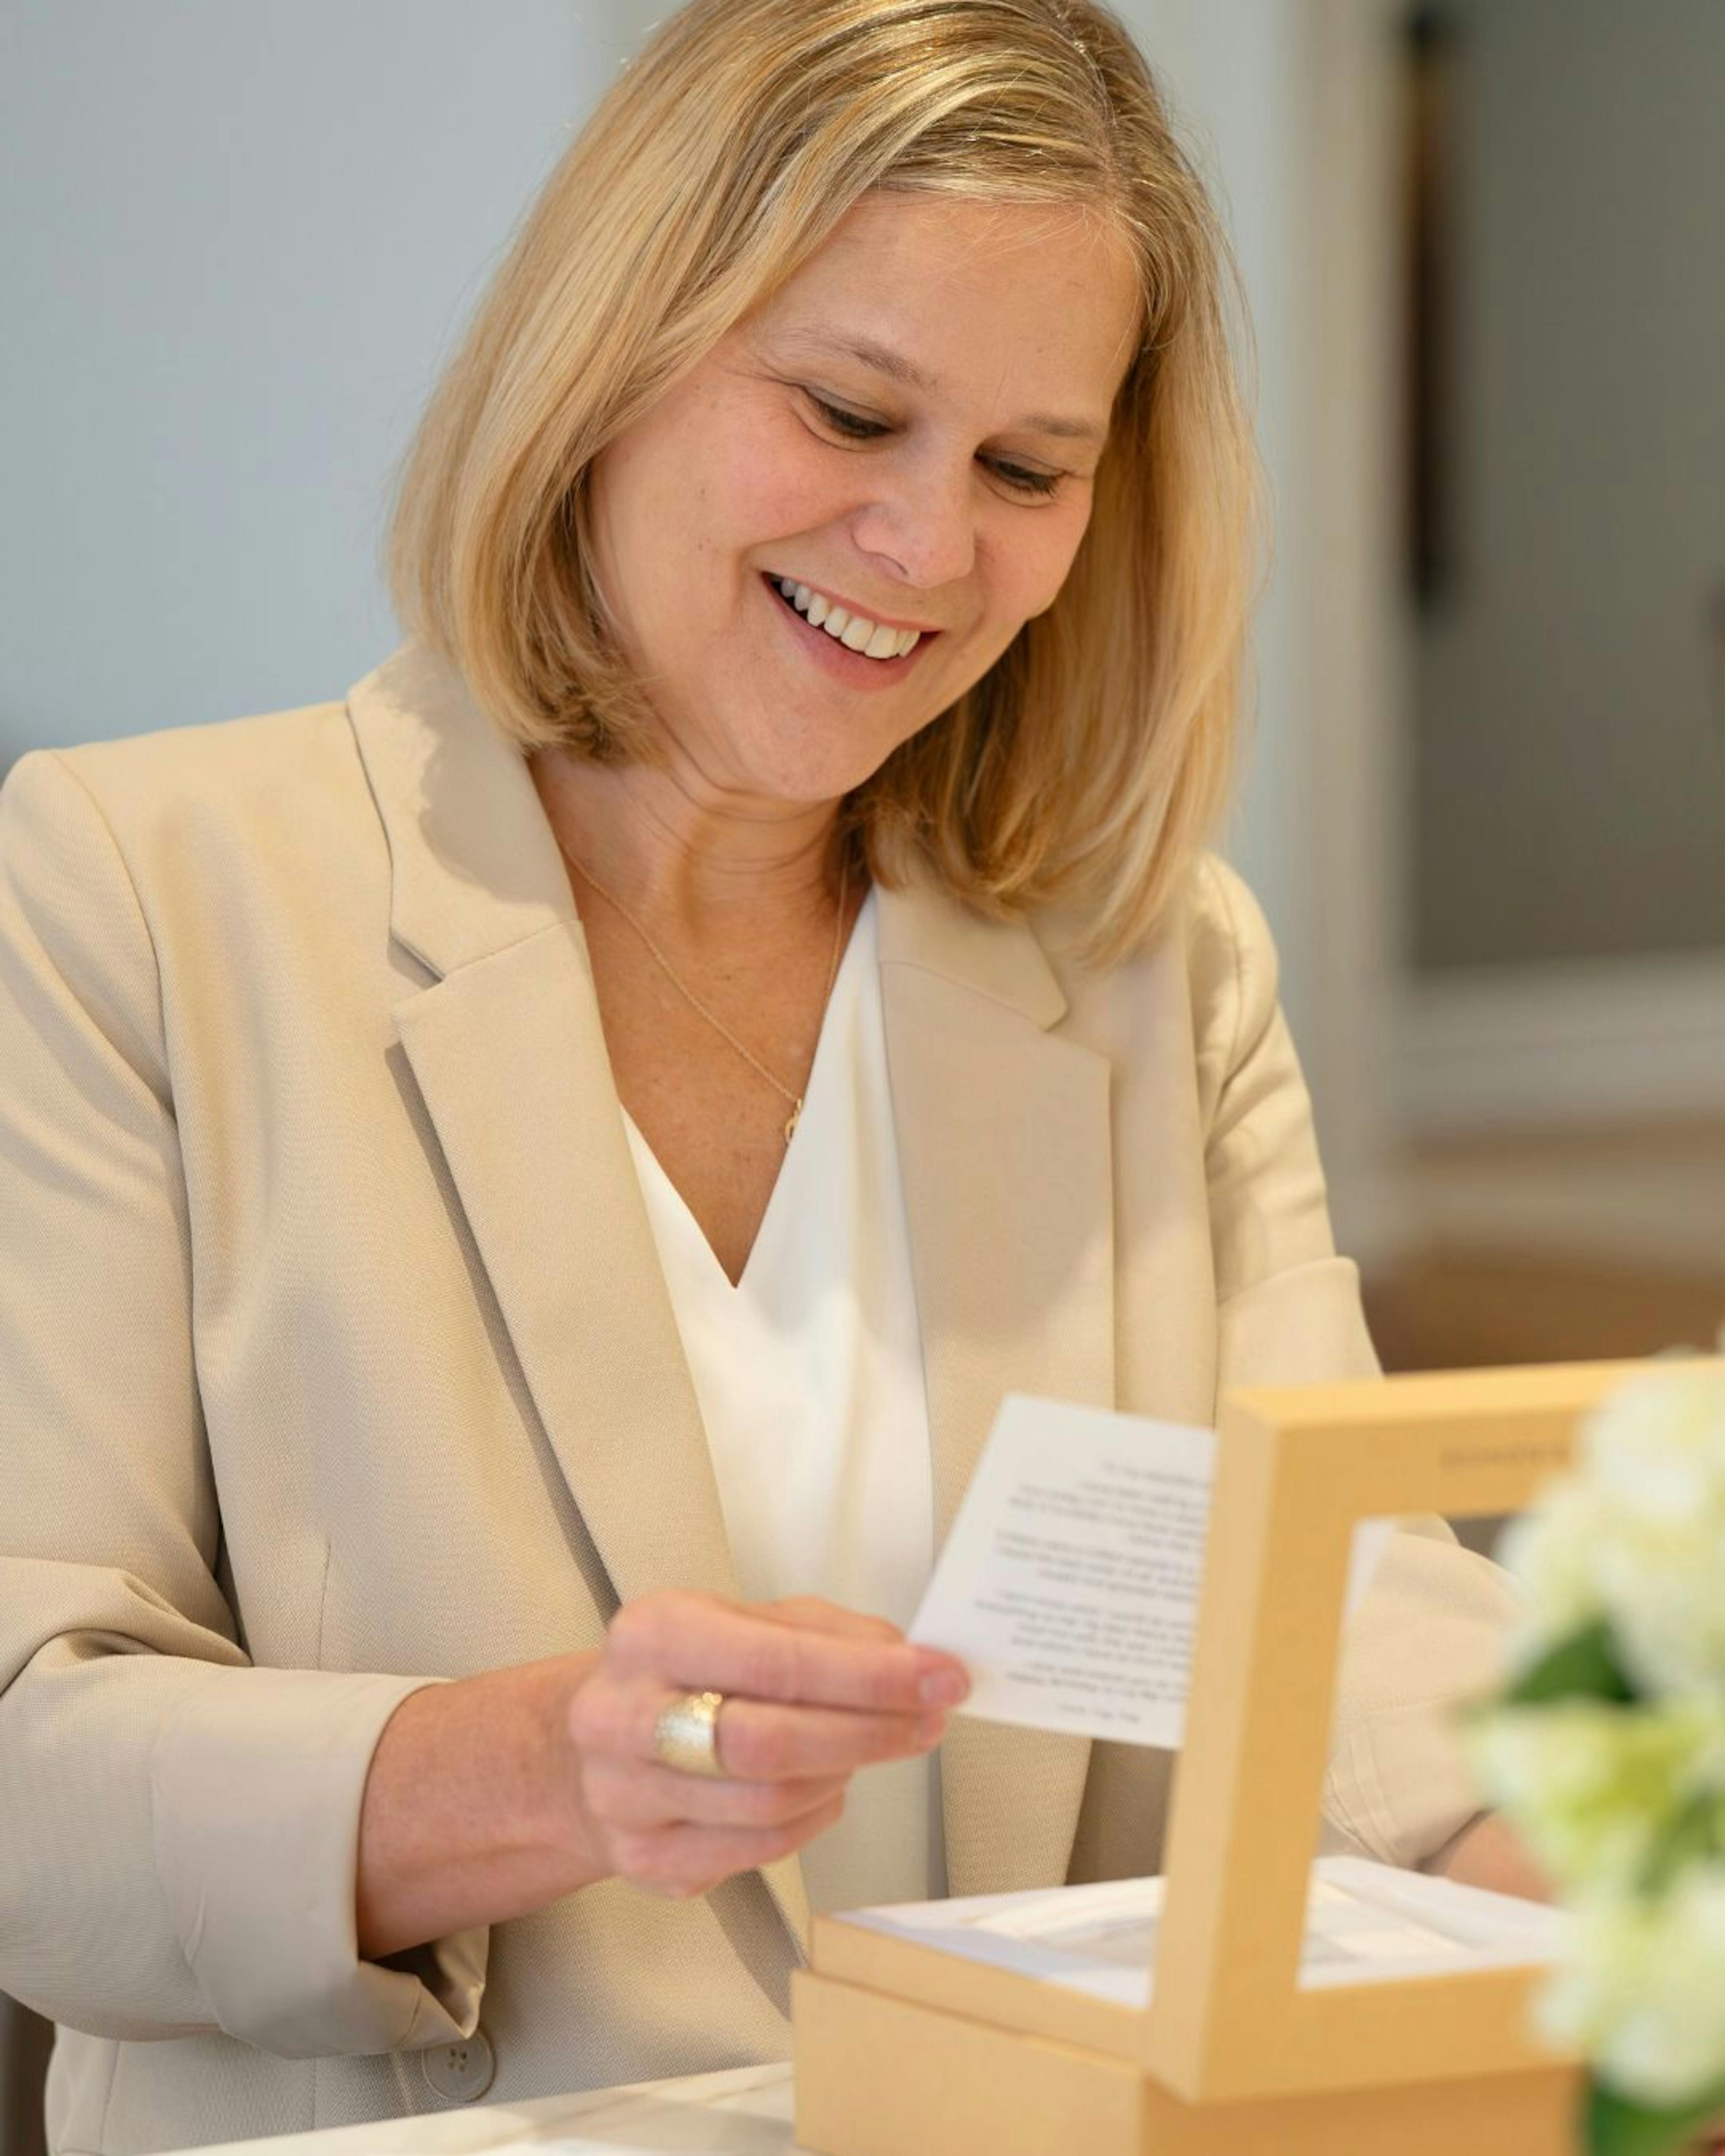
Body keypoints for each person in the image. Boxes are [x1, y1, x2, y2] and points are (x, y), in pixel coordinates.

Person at [0, 1, 1529, 2149]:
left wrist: (1637, 1924)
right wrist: (552, 1764)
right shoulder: (139, 895)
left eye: (1027, 469)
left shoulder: (1159, 977)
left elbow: (1355, 1651)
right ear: (609, 358)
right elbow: (29, 1786)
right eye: (847, 412)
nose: (927, 547)